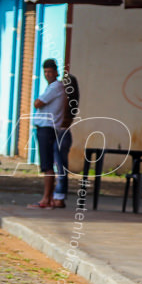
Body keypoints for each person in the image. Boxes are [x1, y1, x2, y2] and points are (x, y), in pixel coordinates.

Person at [29, 58, 65, 209]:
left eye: (50, 71)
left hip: (47, 129)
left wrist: (37, 101)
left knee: (47, 165)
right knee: (47, 165)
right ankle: (48, 198)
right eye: (45, 72)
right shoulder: (52, 87)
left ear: (56, 72)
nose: (48, 74)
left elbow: (38, 103)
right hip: (46, 129)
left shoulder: (55, 87)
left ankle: (46, 199)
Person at [53, 70, 80, 208]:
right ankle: (59, 196)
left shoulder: (63, 103)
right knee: (61, 167)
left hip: (60, 134)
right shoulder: (72, 104)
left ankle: (59, 196)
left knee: (60, 168)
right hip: (66, 134)